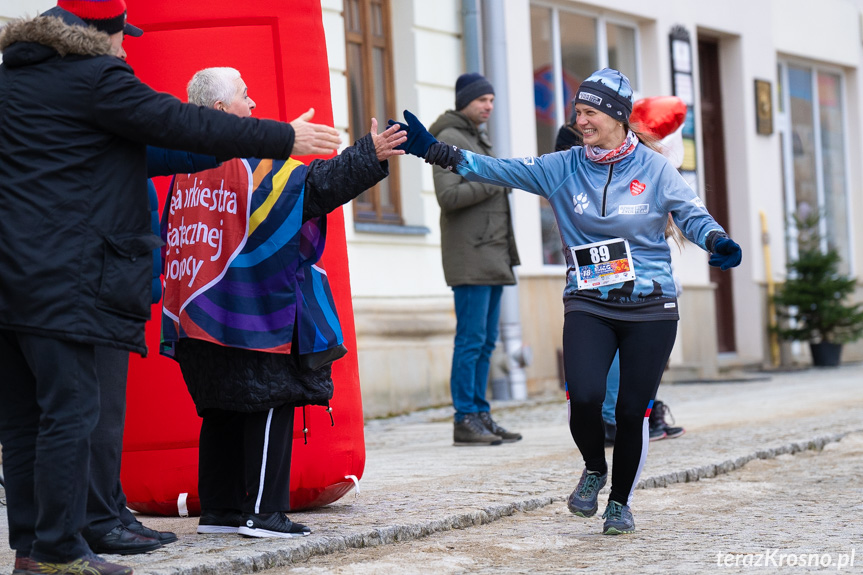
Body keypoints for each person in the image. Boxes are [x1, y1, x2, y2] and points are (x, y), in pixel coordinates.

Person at [0, 1, 341, 573]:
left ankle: (33, 550)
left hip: (11, 281)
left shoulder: (14, 84)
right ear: (96, 34)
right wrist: (283, 136)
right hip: (68, 281)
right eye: (121, 35)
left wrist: (243, 142)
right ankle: (60, 553)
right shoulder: (95, 77)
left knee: (22, 420)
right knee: (70, 413)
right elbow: (180, 120)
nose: (125, 46)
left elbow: (152, 148)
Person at [390, 67, 742, 535]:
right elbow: (501, 169)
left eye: (590, 112)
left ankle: (620, 502)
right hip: (589, 301)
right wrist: (436, 150)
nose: (582, 122)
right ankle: (594, 467)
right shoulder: (565, 167)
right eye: (579, 113)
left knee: (632, 409)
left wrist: (716, 239)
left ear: (616, 116)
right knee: (586, 398)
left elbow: (690, 213)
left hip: (650, 306)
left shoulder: (655, 169)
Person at [161, 67, 405, 539]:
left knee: (220, 409)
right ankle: (262, 513)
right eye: (245, 98)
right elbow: (310, 190)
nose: (253, 106)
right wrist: (367, 155)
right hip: (251, 314)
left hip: (195, 317)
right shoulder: (251, 161)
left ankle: (221, 512)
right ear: (219, 111)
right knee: (270, 403)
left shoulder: (186, 164)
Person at [84, 148, 220, 557]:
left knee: (109, 412)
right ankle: (99, 519)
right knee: (101, 414)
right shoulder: (105, 120)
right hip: (100, 290)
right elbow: (166, 148)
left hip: (119, 289)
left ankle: (111, 507)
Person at [427, 72, 522, 446]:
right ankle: (464, 417)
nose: (489, 106)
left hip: (493, 254)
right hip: (470, 257)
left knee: (485, 342)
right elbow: (448, 196)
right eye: (483, 99)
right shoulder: (449, 138)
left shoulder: (475, 138)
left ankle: (481, 414)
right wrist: (495, 178)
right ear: (465, 99)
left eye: (493, 101)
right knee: (470, 340)